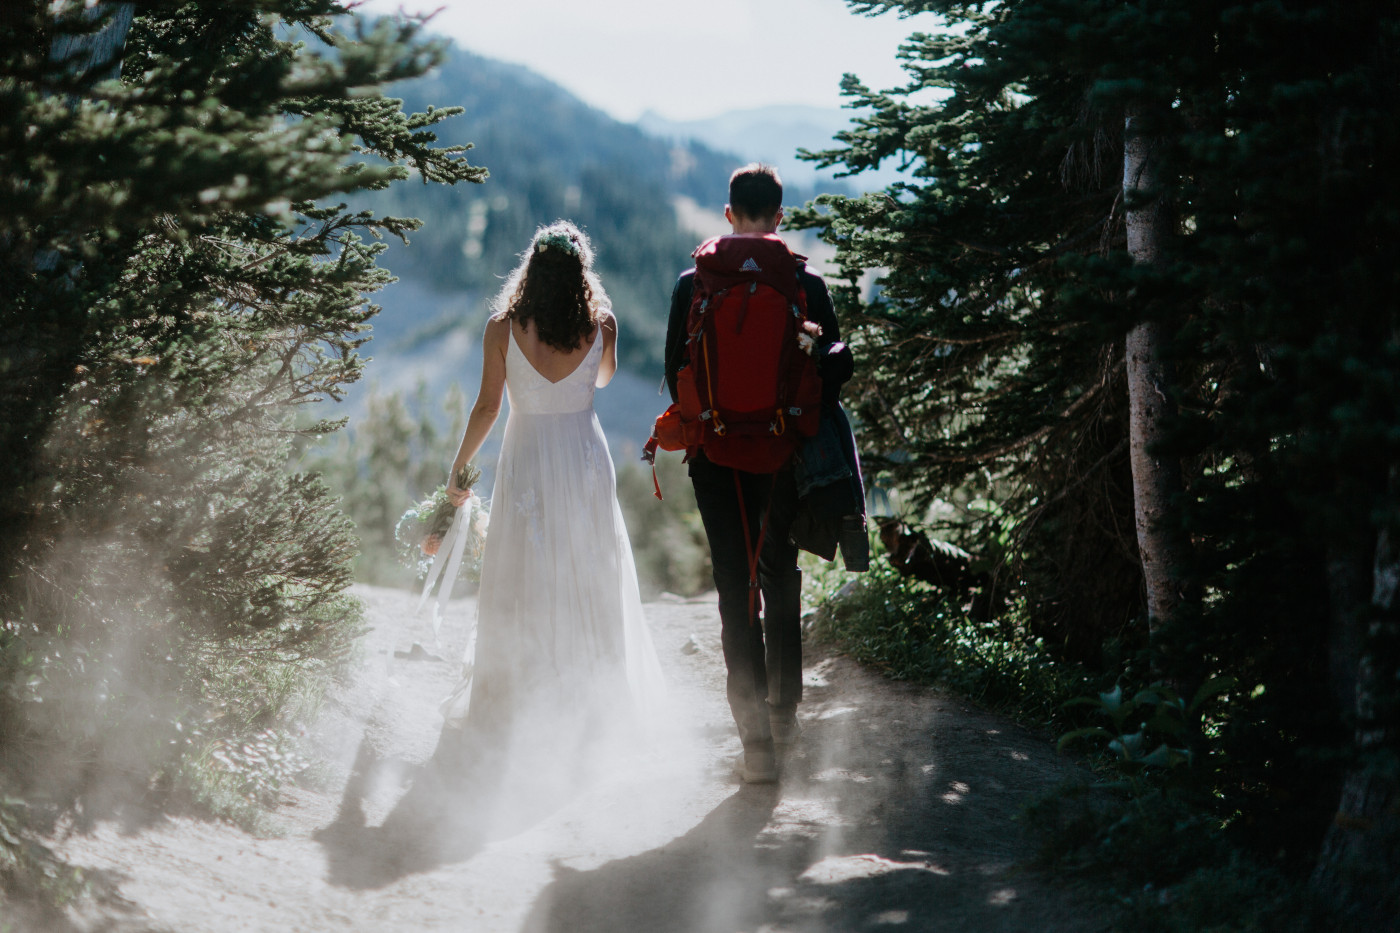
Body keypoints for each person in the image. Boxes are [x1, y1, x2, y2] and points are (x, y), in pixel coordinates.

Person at [438, 220, 665, 795]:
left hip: (528, 456)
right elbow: (606, 381)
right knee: (589, 572)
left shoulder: (501, 328)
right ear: (581, 274)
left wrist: (458, 471)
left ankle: (512, 702)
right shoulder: (601, 324)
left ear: (530, 272)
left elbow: (489, 406)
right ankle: (591, 707)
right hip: (583, 457)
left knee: (522, 572)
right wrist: (600, 339)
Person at [664, 164, 849, 783]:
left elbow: (674, 372)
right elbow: (830, 373)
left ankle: (753, 743)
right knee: (778, 574)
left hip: (715, 456)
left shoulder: (695, 283)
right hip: (781, 454)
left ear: (727, 215)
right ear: (779, 217)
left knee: (733, 583)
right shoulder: (805, 282)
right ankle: (785, 717)